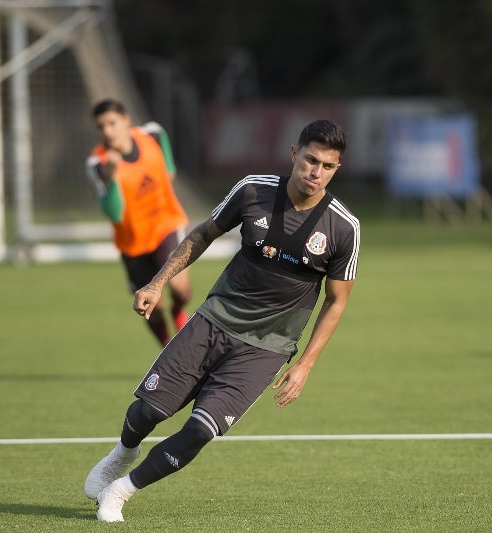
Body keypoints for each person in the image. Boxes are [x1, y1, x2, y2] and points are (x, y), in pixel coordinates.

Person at [83, 119, 360, 522]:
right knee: (148, 412)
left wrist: (305, 365)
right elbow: (202, 235)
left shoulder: (344, 227)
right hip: (213, 321)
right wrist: (158, 283)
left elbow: (335, 302)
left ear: (337, 169)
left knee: (201, 430)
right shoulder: (253, 190)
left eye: (328, 166)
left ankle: (120, 492)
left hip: (266, 347)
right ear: (294, 154)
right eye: (311, 160)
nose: (316, 172)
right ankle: (123, 453)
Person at [87, 99, 192, 346]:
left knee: (180, 288)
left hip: (166, 226)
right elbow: (114, 213)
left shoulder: (153, 135)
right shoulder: (98, 164)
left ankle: (178, 309)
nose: (108, 131)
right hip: (133, 243)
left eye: (112, 123)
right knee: (151, 307)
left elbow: (169, 172)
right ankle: (169, 350)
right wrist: (113, 178)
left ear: (126, 120)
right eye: (101, 127)